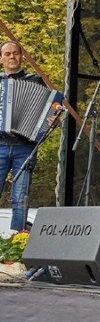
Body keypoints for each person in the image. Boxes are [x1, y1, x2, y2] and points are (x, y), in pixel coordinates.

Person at [0, 41, 44, 231]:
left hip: (24, 147)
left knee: (20, 199)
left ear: (21, 56)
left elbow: (50, 111)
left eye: (15, 53)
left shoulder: (34, 81)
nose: (12, 57)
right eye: (7, 54)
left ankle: (16, 242)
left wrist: (51, 119)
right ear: (1, 58)